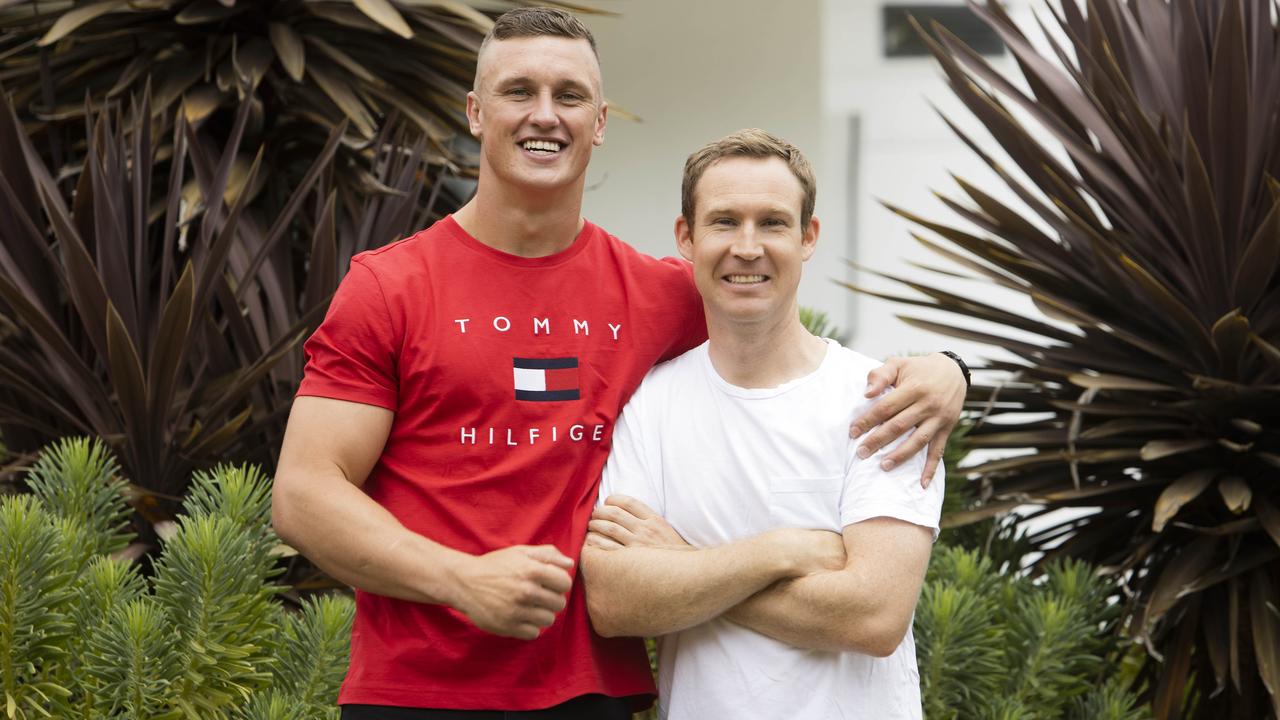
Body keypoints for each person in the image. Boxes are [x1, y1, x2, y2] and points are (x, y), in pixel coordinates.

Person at [270, 8, 965, 718]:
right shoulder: (391, 287)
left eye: (569, 96)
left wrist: (948, 368)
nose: (546, 115)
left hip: (594, 691)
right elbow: (303, 493)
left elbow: (776, 330)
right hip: (419, 691)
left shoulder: (661, 295)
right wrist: (459, 579)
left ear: (599, 121)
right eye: (519, 92)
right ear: (475, 113)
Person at [581, 129, 943, 720]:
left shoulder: (881, 403)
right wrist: (780, 553)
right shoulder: (651, 403)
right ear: (686, 238)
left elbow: (874, 617)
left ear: (808, 237)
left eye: (772, 223)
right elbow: (616, 600)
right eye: (724, 221)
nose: (747, 247)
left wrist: (685, 562)